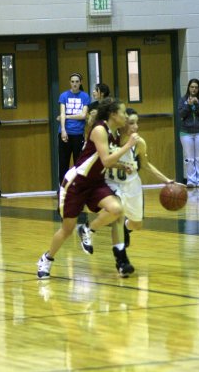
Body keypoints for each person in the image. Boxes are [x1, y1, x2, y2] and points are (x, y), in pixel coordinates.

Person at [37, 98, 140, 279]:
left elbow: (103, 161)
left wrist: (121, 166)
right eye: (123, 112)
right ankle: (46, 258)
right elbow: (106, 160)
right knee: (67, 229)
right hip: (77, 183)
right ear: (113, 114)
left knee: (116, 209)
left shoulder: (114, 132)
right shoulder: (100, 129)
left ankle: (87, 229)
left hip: (95, 183)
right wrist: (128, 145)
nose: (125, 116)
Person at [105, 108, 174, 247]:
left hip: (131, 184)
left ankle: (125, 227)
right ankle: (120, 257)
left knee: (136, 224)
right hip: (112, 184)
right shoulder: (109, 139)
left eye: (137, 123)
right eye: (131, 123)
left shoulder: (139, 143)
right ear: (122, 123)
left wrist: (166, 180)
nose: (136, 127)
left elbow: (146, 165)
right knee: (116, 212)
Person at [58, 73, 90, 184]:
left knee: (78, 161)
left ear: (80, 82)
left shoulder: (85, 96)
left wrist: (67, 116)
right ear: (70, 82)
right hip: (65, 132)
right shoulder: (64, 96)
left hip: (78, 133)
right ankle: (62, 186)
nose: (74, 84)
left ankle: (78, 185)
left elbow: (83, 115)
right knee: (63, 162)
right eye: (72, 81)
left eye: (77, 82)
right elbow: (62, 112)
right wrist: (63, 129)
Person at [178, 78, 199, 188]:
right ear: (188, 88)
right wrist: (189, 105)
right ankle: (191, 180)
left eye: (196, 87)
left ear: (198, 88)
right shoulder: (183, 100)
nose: (194, 89)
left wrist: (197, 105)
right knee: (189, 158)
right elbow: (181, 114)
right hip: (186, 133)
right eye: (192, 87)